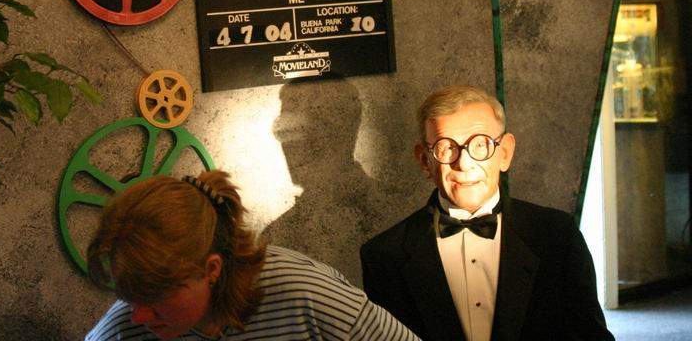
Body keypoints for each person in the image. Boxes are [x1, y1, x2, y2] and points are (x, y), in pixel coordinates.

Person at [360, 85, 614, 341]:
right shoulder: (384, 257)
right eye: (446, 147)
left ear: (505, 153)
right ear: (425, 161)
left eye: (480, 144)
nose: (464, 163)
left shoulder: (557, 236)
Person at [85, 171, 422, 340]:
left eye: (154, 297)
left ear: (211, 269)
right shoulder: (122, 328)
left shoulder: (307, 296)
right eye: (128, 297)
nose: (138, 316)